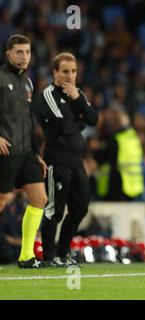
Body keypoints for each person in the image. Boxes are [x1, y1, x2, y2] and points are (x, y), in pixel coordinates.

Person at [33, 52, 98, 266]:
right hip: (57, 160)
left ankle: (63, 253)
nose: (70, 76)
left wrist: (77, 100)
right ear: (55, 73)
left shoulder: (76, 94)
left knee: (81, 207)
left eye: (73, 71)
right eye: (65, 72)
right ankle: (49, 257)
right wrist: (78, 115)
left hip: (76, 162)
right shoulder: (47, 95)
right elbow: (63, 126)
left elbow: (93, 119)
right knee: (54, 210)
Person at [0, 34, 48, 268]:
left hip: (27, 151)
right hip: (6, 149)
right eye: (19, 52)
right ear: (8, 53)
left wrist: (37, 153)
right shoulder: (1, 78)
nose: (24, 57)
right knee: (1, 200)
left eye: (27, 52)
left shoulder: (27, 82)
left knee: (40, 199)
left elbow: (29, 120)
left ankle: (26, 255)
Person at [94, 107, 144, 201]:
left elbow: (102, 158)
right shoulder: (134, 137)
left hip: (118, 189)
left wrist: (96, 150)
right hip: (134, 188)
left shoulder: (116, 140)